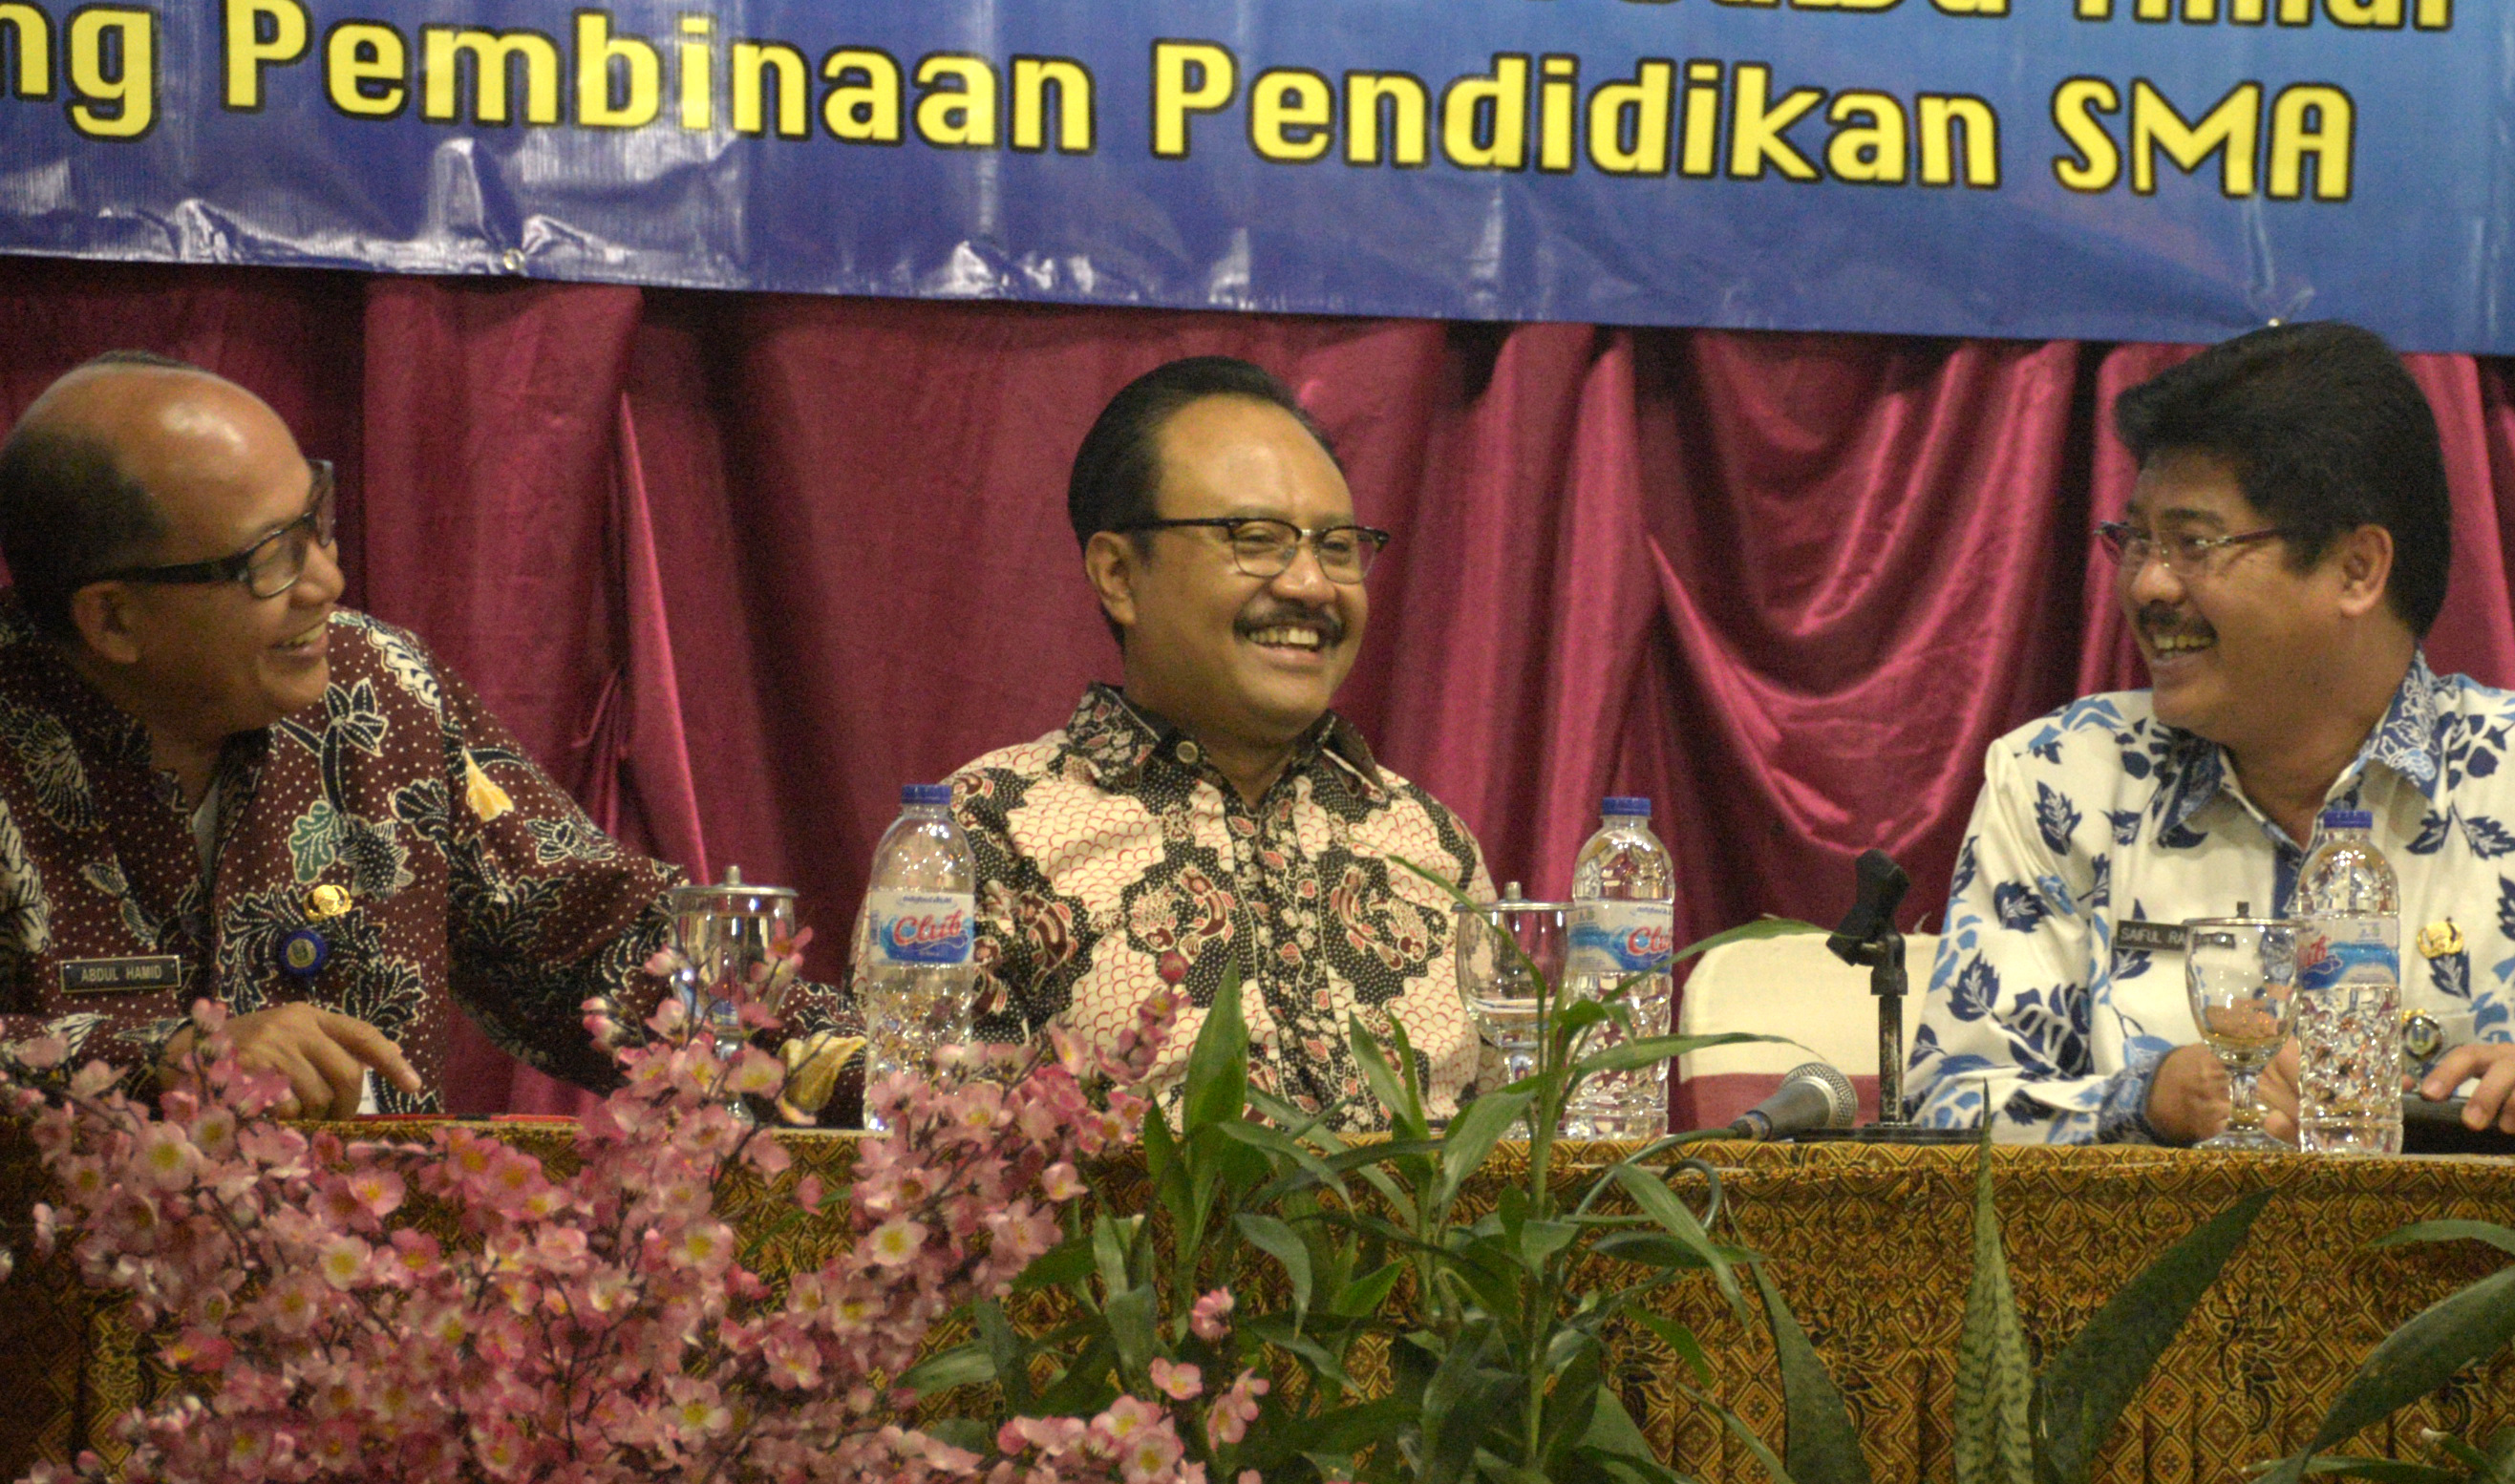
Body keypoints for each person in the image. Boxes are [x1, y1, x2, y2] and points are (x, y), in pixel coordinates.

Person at [0, 352, 862, 1117]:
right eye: (268, 561)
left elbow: (586, 935)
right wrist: (158, 1063)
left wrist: (848, 1062)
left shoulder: (377, 692)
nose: (328, 581)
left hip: (372, 1281)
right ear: (112, 619)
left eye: (317, 523)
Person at [1907, 321, 2515, 1153]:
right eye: (2135, 539)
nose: (2147, 585)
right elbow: (1945, 1115)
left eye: (2194, 544)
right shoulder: (2063, 779)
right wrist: (2153, 1098)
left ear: (2357, 570)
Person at [945, 356, 1492, 1129]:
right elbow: (934, 1167)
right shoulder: (989, 831)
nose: (1311, 586)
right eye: (1257, 538)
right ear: (1119, 576)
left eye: (1337, 546)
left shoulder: (1429, 844)